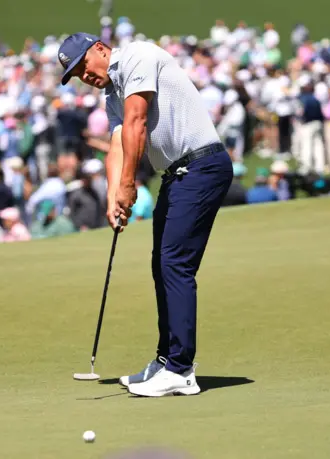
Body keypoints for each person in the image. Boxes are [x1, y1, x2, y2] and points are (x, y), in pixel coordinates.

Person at [59, 32, 233, 397]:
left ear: (99, 50)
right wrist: (112, 197)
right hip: (177, 174)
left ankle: (181, 370)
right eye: (75, 75)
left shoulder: (138, 56)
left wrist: (128, 186)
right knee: (162, 264)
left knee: (176, 264)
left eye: (82, 67)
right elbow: (118, 143)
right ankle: (166, 360)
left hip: (202, 166)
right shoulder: (112, 94)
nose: (83, 77)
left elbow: (137, 121)